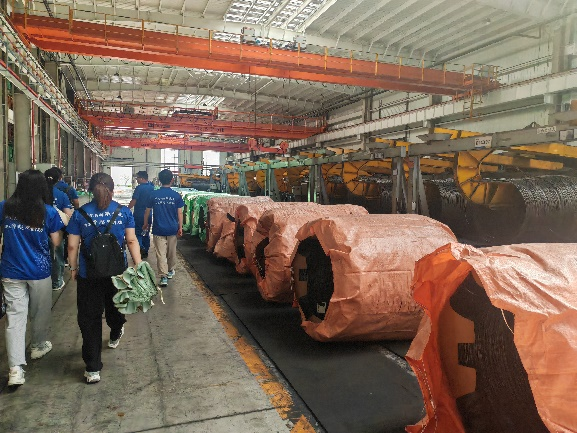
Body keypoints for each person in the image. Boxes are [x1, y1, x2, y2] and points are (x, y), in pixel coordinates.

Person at [67, 173, 141, 384]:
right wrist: (139, 265)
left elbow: (72, 245)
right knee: (115, 306)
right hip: (117, 272)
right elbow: (131, 240)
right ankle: (116, 331)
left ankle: (92, 369)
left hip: (89, 274)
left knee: (90, 318)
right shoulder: (123, 211)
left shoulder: (80, 214)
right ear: (113, 189)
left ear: (90, 190)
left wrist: (73, 267)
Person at [1, 170, 64, 387]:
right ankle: (38, 346)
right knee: (40, 312)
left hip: (11, 271)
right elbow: (56, 241)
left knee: (14, 319)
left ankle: (15, 369)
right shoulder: (48, 212)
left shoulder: (5, 207)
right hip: (39, 271)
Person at [143, 169, 184, 287]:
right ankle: (170, 270)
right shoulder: (176, 196)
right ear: (172, 180)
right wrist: (180, 227)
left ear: (159, 180)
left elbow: (147, 211)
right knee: (171, 252)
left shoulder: (153, 195)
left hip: (158, 229)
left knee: (160, 254)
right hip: (172, 228)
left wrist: (146, 223)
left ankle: (163, 277)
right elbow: (180, 213)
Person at [45, 167, 74, 291]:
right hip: (57, 230)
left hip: (38, 230)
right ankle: (56, 282)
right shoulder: (61, 194)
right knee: (57, 255)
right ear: (59, 178)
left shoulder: (36, 193)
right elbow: (68, 214)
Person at [127, 171, 154, 259]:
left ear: (142, 178)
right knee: (146, 233)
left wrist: (126, 209)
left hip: (139, 214)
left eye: (137, 178)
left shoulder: (139, 188)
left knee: (138, 233)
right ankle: (145, 251)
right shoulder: (152, 187)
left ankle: (140, 249)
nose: (136, 180)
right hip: (149, 215)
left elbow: (134, 200)